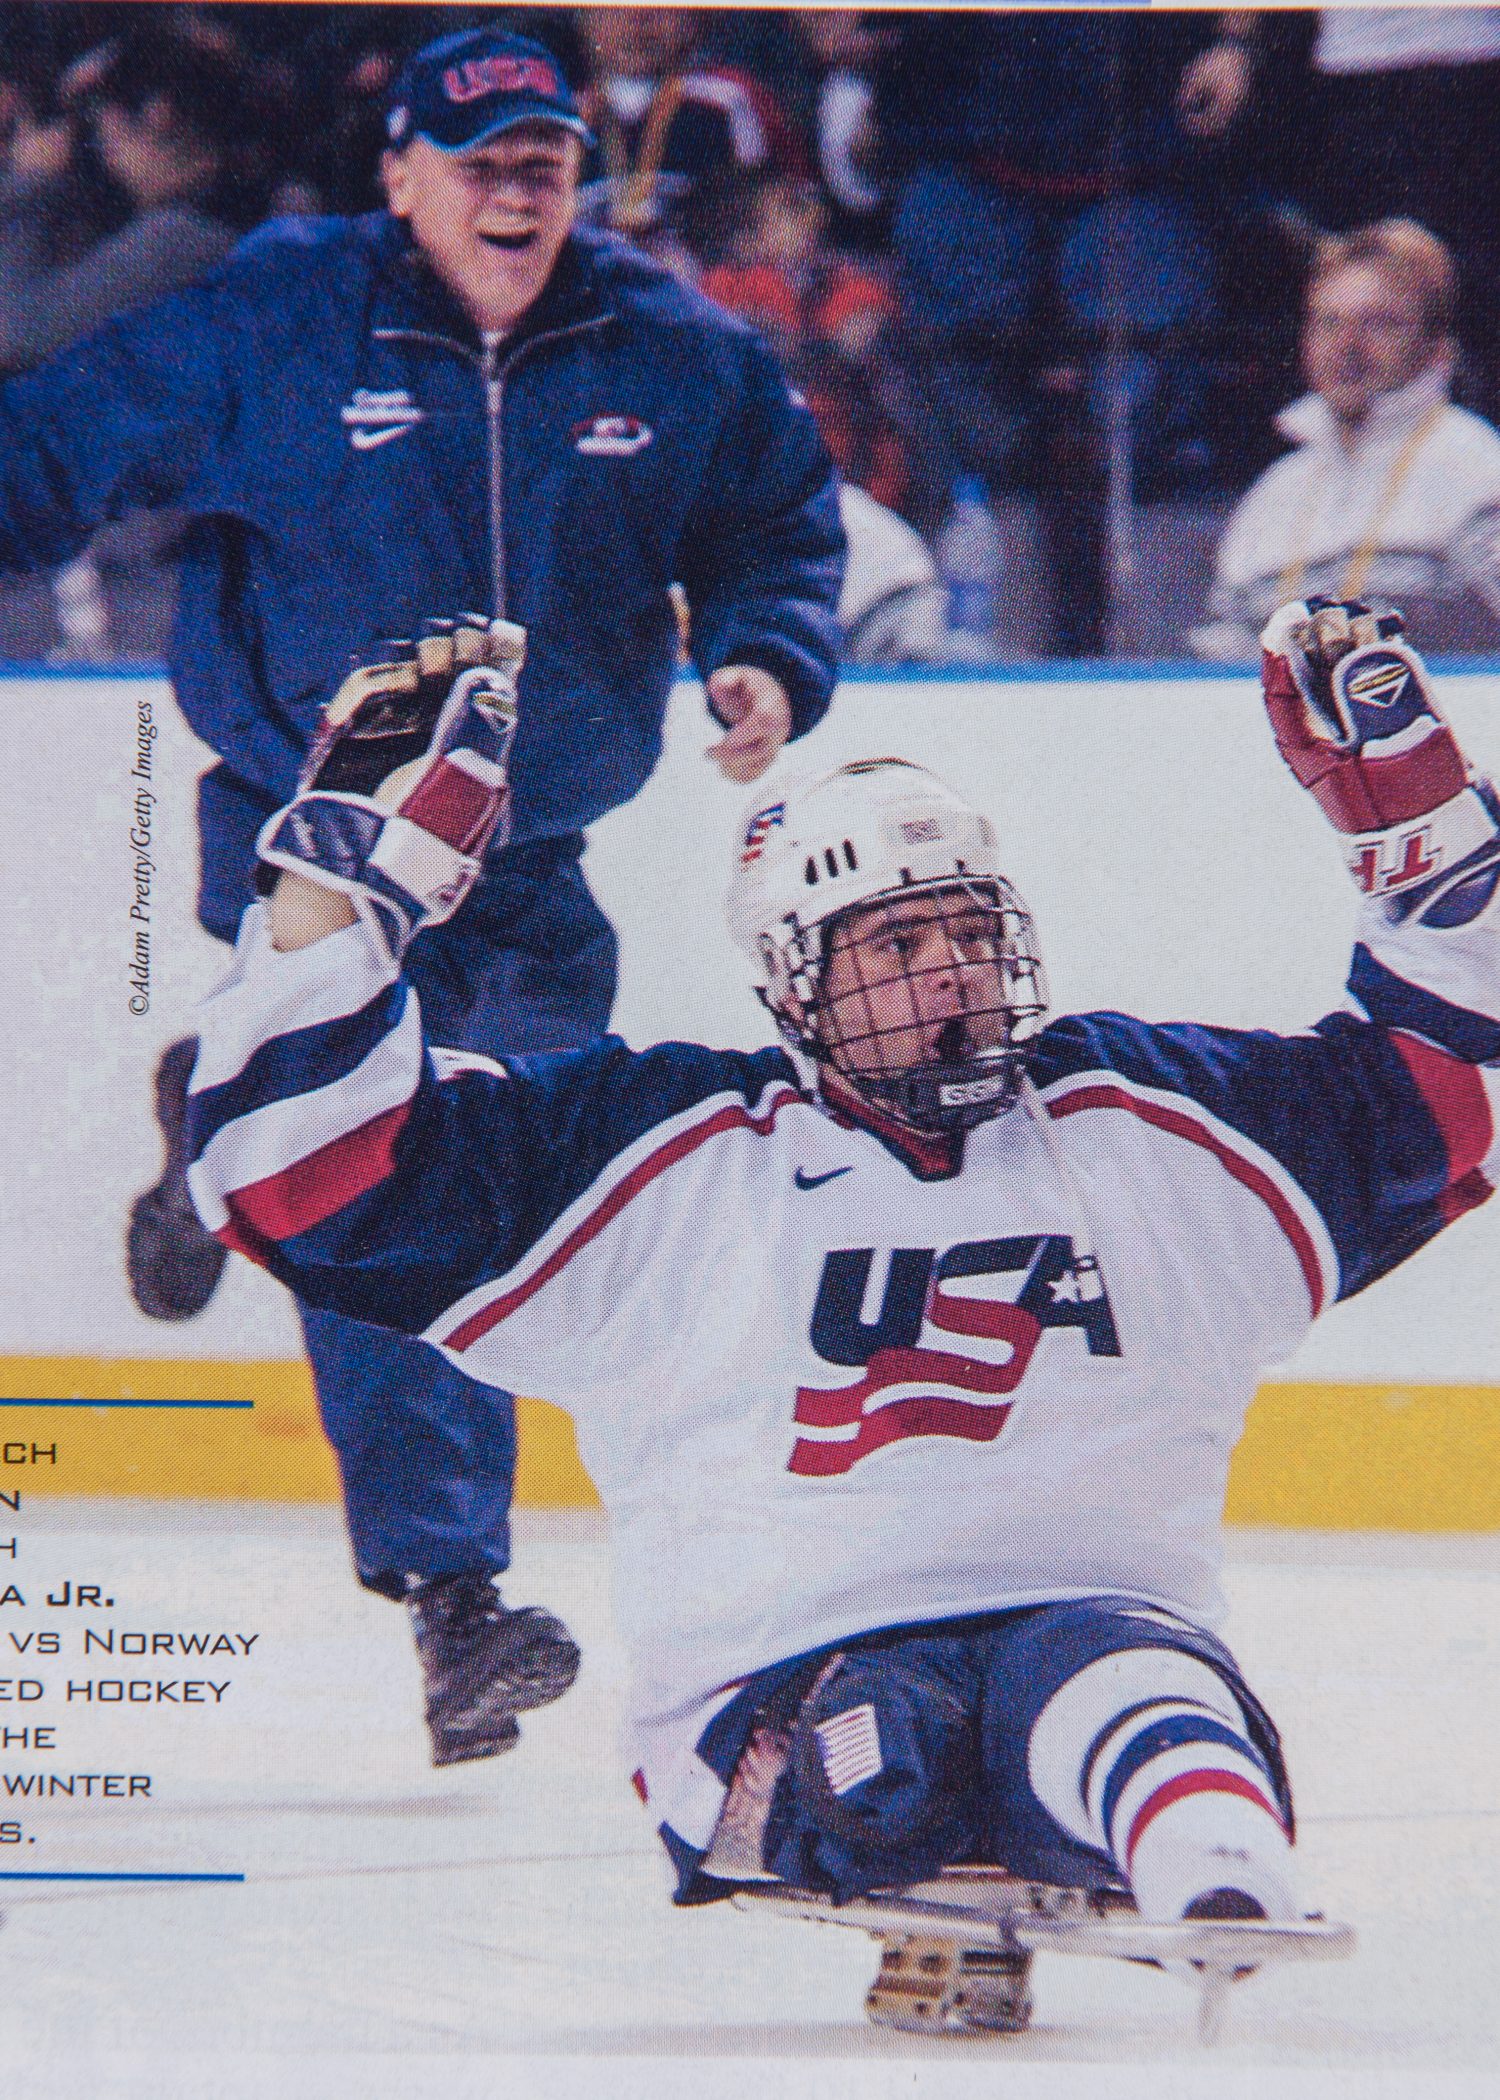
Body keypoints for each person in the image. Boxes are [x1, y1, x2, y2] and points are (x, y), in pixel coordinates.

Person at [184, 593, 1500, 1920]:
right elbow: (300, 1176)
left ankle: (1217, 1866)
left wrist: (1428, 849)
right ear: (790, 981)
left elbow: (1456, 1089)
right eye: (901, 943)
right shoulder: (661, 1157)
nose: (955, 975)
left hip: (1115, 1628)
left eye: (976, 934)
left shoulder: (1149, 1125)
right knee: (894, 1748)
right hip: (779, 1695)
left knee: (1133, 1688)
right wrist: (335, 899)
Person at [0, 25, 844, 1767]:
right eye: (480, 162)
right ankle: (457, 1595)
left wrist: (766, 655)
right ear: (400, 180)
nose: (519, 188)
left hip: (529, 876)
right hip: (314, 854)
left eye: (546, 159)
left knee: (501, 1184)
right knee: (397, 1184)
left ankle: (216, 1135)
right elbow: (61, 443)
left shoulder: (668, 348)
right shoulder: (279, 312)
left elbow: (777, 517)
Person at [1193, 220, 1500, 659]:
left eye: (1380, 323)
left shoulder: (1475, 467)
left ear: (1436, 347)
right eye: (1328, 322)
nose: (1348, 345)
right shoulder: (1274, 493)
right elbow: (1222, 662)